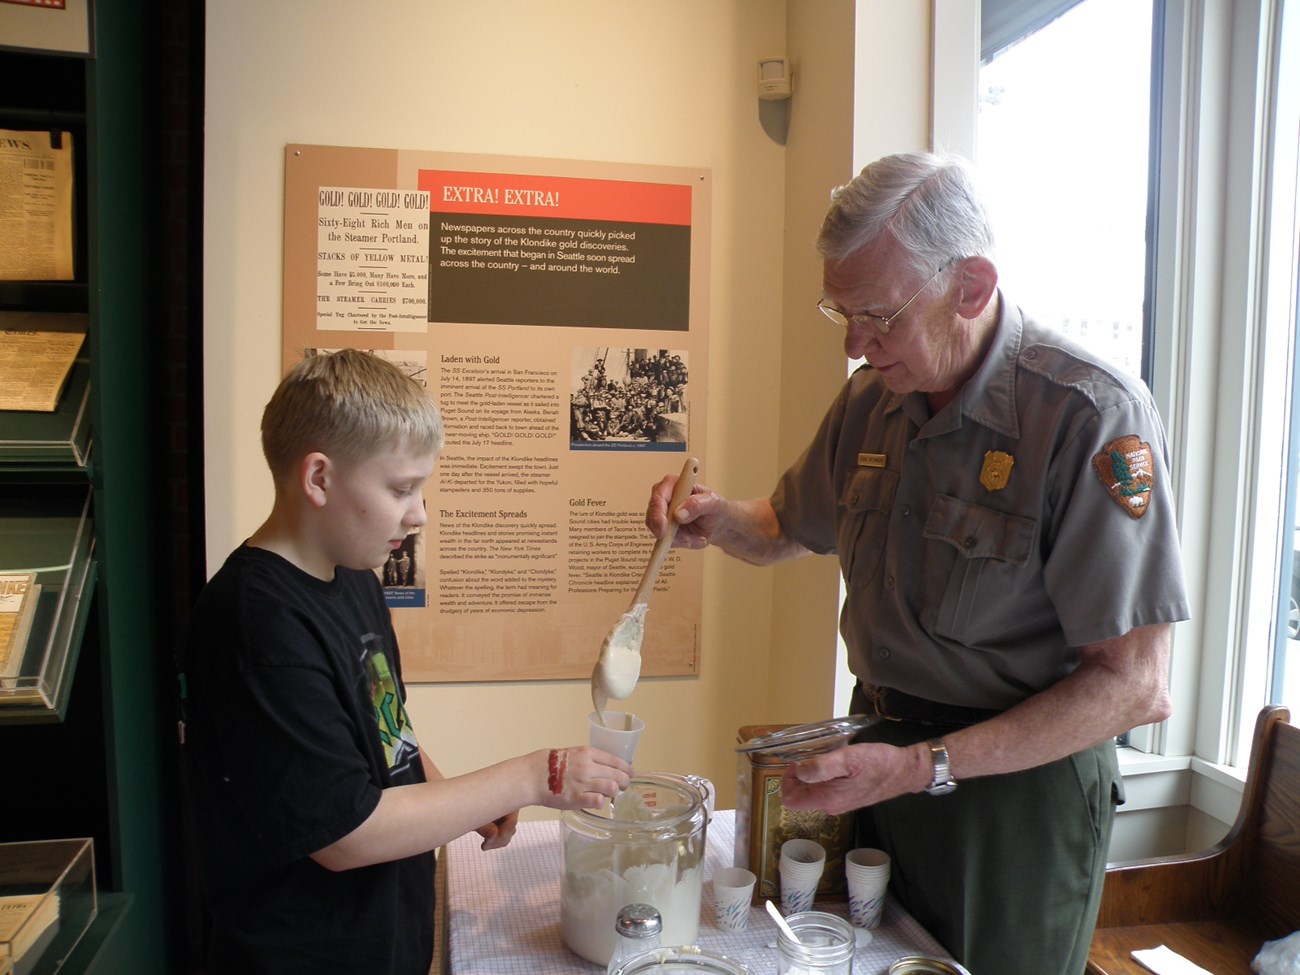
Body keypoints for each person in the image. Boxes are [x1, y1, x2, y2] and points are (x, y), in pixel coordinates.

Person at [645, 152, 1189, 975]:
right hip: (881, 765)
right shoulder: (875, 400)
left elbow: (1135, 684)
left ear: (970, 286)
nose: (856, 345)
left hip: (1013, 804)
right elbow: (788, 525)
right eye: (842, 312)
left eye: (878, 314)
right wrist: (718, 520)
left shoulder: (1089, 416)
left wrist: (922, 766)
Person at [180, 349, 631, 975]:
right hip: (301, 955)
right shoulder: (257, 621)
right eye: (400, 489)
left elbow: (386, 733)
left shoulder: (353, 575)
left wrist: (455, 796)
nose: (419, 514)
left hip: (385, 937)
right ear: (319, 478)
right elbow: (345, 835)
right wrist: (534, 776)